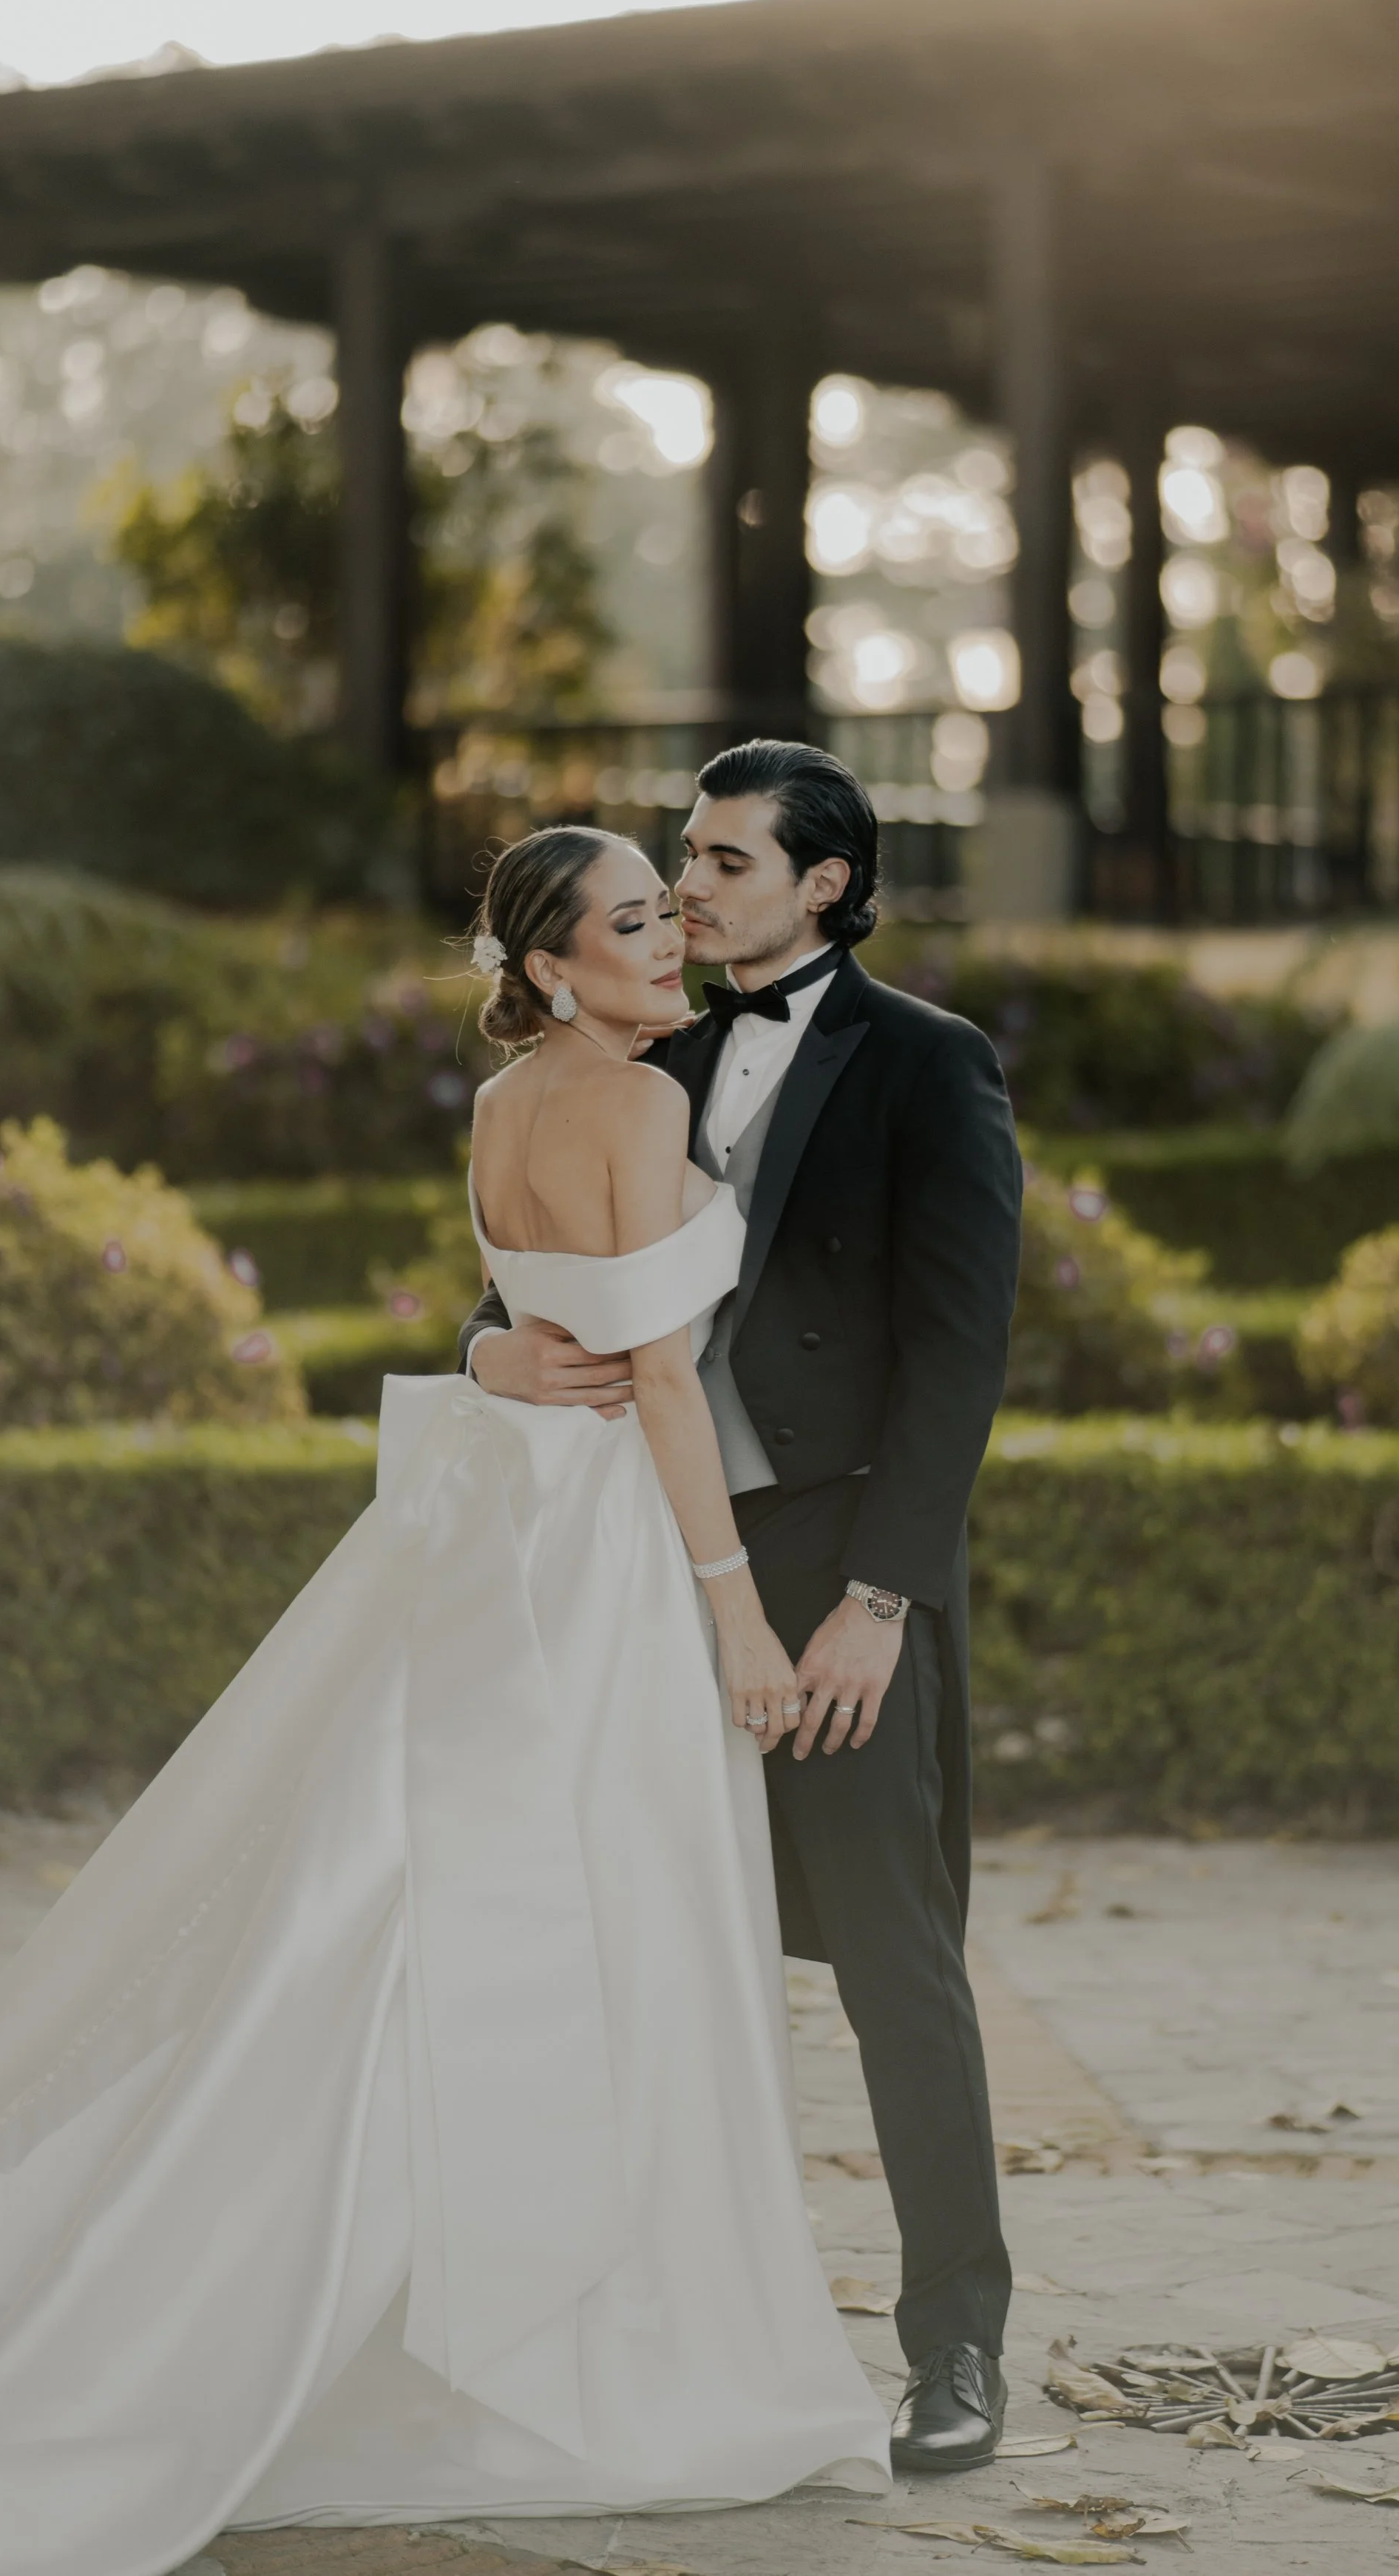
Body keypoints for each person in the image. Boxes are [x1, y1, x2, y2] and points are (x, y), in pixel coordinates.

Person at [0, 824, 891, 2576]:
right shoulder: (639, 1108)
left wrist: (497, 1346)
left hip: (508, 1515)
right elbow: (655, 1377)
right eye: (632, 924)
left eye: (671, 911)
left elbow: (524, 1308)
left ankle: (469, 2272)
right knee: (608, 1902)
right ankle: (592, 2331)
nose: (668, 941)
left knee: (453, 1892)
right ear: (554, 969)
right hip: (605, 1548)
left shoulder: (503, 1108)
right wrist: (730, 1613)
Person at [462, 741, 1023, 2472]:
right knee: (632, 1959)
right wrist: (492, 1352)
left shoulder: (932, 1068)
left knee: (893, 1966)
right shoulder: (636, 1051)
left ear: (824, 885)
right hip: (644, 1573)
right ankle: (627, 2335)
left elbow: (959, 1355)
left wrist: (879, 1601)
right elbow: (509, 1284)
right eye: (679, 865)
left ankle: (956, 2352)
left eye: (720, 861)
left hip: (832, 1574)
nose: (687, 888)